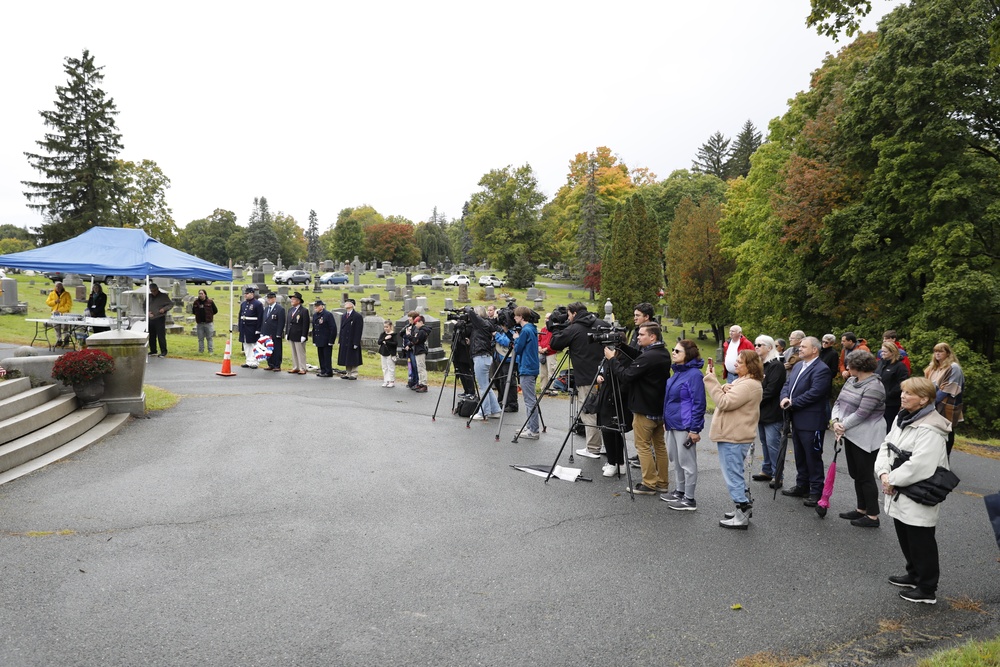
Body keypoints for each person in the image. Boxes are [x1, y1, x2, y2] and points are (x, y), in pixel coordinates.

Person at [874, 377, 952, 604]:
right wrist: (883, 473)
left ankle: (927, 588)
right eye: (903, 392)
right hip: (899, 485)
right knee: (905, 532)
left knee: (921, 537)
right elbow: (886, 446)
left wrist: (892, 480)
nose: (902, 396)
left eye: (909, 393)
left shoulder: (931, 428)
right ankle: (914, 573)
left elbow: (921, 465)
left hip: (918, 489)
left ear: (924, 399)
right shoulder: (903, 418)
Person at [605, 322, 671, 489]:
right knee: (659, 446)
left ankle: (649, 483)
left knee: (643, 446)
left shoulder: (649, 357)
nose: (638, 337)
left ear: (652, 336)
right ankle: (662, 482)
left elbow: (626, 376)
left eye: (641, 335)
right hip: (658, 407)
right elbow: (638, 358)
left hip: (644, 408)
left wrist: (612, 360)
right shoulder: (661, 353)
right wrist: (623, 347)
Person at [705, 349, 763, 529]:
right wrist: (723, 386)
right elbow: (730, 397)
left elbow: (724, 403)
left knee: (733, 475)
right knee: (734, 473)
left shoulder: (748, 385)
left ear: (750, 366)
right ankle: (741, 508)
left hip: (734, 436)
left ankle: (742, 511)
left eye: (740, 362)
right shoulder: (744, 381)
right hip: (734, 434)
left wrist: (711, 380)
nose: (735, 364)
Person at [831, 349, 887, 527]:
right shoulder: (851, 380)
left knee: (865, 475)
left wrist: (842, 426)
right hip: (850, 432)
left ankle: (872, 516)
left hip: (867, 436)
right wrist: (835, 422)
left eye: (850, 364)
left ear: (859, 366)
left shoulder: (875, 386)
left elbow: (863, 413)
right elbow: (838, 402)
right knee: (856, 473)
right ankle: (861, 509)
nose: (847, 367)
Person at [549, 302, 611, 460]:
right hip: (606, 374)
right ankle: (605, 445)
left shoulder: (574, 329)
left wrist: (556, 327)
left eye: (569, 315)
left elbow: (555, 344)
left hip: (586, 376)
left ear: (574, 313)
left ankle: (593, 448)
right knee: (604, 410)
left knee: (588, 411)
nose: (568, 317)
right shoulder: (601, 324)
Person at [779, 336, 832, 507]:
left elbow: (816, 393)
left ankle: (816, 491)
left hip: (812, 420)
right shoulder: (798, 366)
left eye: (803, 346)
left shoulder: (822, 369)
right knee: (800, 455)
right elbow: (787, 385)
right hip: (797, 418)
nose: (799, 349)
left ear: (814, 349)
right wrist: (784, 397)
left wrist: (793, 403)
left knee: (812, 456)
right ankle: (802, 485)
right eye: (800, 346)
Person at [661, 339, 707, 511]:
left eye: (677, 351)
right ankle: (679, 492)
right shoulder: (678, 372)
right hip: (672, 424)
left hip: (685, 425)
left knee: (687, 462)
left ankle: (689, 498)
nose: (673, 352)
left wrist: (695, 429)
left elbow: (699, 403)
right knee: (676, 459)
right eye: (674, 350)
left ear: (688, 355)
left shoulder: (694, 375)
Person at [752, 335, 787, 486]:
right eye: (755, 345)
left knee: (773, 443)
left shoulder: (776, 366)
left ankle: (778, 475)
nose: (756, 347)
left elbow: (771, 390)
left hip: (772, 411)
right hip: (761, 410)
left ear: (769, 347)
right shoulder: (762, 365)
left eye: (760, 345)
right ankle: (767, 470)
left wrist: (753, 400)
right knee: (764, 442)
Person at [924, 342, 964, 456]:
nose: (937, 353)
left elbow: (948, 389)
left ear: (947, 353)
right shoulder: (933, 367)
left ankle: (945, 458)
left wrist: (931, 402)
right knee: (932, 430)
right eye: (935, 351)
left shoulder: (953, 367)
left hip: (947, 404)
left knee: (946, 430)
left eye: (940, 351)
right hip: (932, 402)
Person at [466, 306, 502, 420]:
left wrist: (467, 309)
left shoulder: (482, 323)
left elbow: (472, 315)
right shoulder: (484, 325)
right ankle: (495, 410)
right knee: (486, 386)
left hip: (481, 356)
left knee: (483, 387)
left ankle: (483, 412)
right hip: (484, 357)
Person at [512, 306, 540, 438]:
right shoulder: (532, 329)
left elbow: (518, 349)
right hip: (531, 366)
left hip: (527, 367)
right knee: (530, 399)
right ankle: (529, 426)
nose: (514, 318)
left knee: (529, 400)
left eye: (516, 316)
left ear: (521, 317)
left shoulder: (525, 331)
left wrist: (516, 338)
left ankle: (533, 430)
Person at [875, 341, 909, 429]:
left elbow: (903, 383)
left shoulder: (900, 366)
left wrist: (890, 394)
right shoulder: (879, 364)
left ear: (892, 352)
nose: (882, 354)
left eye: (885, 352)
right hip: (877, 401)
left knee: (888, 426)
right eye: (881, 351)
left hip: (891, 403)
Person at [237, 287, 263, 368]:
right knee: (246, 344)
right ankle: (248, 361)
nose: (245, 295)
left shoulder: (257, 304)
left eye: (247, 294)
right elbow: (240, 316)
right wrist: (240, 327)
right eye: (245, 293)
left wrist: (259, 329)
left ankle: (255, 361)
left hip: (252, 327)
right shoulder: (243, 304)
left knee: (253, 345)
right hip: (244, 327)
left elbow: (260, 317)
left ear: (252, 294)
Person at [338, 298, 364, 380]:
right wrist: (340, 340)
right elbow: (342, 329)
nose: (345, 304)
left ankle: (354, 373)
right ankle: (348, 372)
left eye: (347, 303)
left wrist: (356, 342)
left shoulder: (357, 316)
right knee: (346, 356)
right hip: (345, 340)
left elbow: (358, 330)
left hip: (352, 340)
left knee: (353, 357)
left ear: (352, 305)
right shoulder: (344, 316)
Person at [285, 292, 310, 375]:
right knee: (294, 352)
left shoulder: (304, 311)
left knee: (300, 352)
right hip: (291, 334)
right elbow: (288, 322)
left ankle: (302, 368)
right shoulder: (291, 310)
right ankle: (296, 367)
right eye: (291, 299)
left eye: (294, 299)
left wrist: (304, 335)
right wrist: (286, 333)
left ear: (298, 301)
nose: (292, 301)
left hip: (299, 335)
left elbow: (305, 324)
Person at [260, 292, 286, 371]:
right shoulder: (266, 308)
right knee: (268, 349)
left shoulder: (280, 309)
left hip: (275, 333)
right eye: (268, 298)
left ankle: (277, 365)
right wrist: (262, 332)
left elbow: (281, 322)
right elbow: (264, 321)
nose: (269, 300)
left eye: (270, 298)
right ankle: (270, 364)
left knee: (277, 350)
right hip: (267, 333)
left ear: (274, 299)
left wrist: (279, 333)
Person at [311, 299, 337, 377]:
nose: (316, 308)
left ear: (322, 306)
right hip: (319, 339)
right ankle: (323, 370)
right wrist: (314, 340)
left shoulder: (328, 314)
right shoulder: (315, 315)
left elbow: (333, 328)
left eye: (317, 306)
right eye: (315, 306)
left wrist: (331, 340)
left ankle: (328, 371)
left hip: (326, 339)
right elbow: (314, 328)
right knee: (321, 356)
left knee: (327, 356)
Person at [147, 282, 173, 358]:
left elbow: (170, 304)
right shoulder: (149, 296)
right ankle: (153, 350)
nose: (153, 292)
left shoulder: (163, 296)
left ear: (157, 289)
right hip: (151, 318)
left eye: (154, 291)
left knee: (161, 335)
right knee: (151, 335)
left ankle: (163, 351)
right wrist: (147, 312)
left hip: (159, 317)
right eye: (152, 291)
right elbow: (144, 305)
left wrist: (164, 309)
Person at [536, 313, 559, 396]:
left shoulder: (554, 330)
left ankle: (553, 389)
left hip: (550, 353)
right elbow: (539, 339)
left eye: (548, 318)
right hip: (542, 353)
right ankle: (544, 388)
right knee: (543, 373)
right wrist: (539, 347)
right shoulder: (543, 329)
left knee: (551, 371)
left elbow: (554, 342)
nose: (546, 320)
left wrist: (547, 348)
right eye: (545, 318)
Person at [46, 281, 73, 347]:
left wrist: (60, 310)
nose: (58, 288)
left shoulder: (67, 294)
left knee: (65, 328)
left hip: (64, 314)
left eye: (59, 286)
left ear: (62, 287)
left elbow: (69, 305)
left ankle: (66, 341)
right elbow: (48, 302)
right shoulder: (52, 293)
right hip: (55, 314)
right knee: (56, 327)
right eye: (57, 286)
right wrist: (55, 301)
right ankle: (59, 340)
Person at [191, 289, 218, 354]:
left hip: (208, 323)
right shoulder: (196, 302)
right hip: (200, 323)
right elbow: (193, 311)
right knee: (200, 338)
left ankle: (210, 351)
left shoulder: (210, 302)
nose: (200, 295)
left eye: (202, 294)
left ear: (205, 294)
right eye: (199, 293)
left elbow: (215, 310)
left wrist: (209, 316)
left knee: (209, 338)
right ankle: (201, 351)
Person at [409, 315, 430, 392]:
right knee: (419, 368)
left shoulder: (422, 331)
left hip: (421, 350)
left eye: (416, 323)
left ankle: (424, 384)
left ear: (421, 322)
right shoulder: (421, 331)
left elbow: (416, 341)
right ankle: (420, 383)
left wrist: (409, 336)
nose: (415, 325)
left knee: (421, 368)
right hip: (418, 350)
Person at [377, 319, 398, 387]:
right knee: (384, 367)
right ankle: (386, 380)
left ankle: (391, 381)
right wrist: (385, 339)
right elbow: (379, 342)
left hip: (390, 353)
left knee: (390, 367)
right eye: (384, 327)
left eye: (387, 327)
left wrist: (387, 342)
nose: (385, 328)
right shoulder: (383, 334)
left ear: (390, 326)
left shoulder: (393, 334)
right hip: (383, 352)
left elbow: (395, 343)